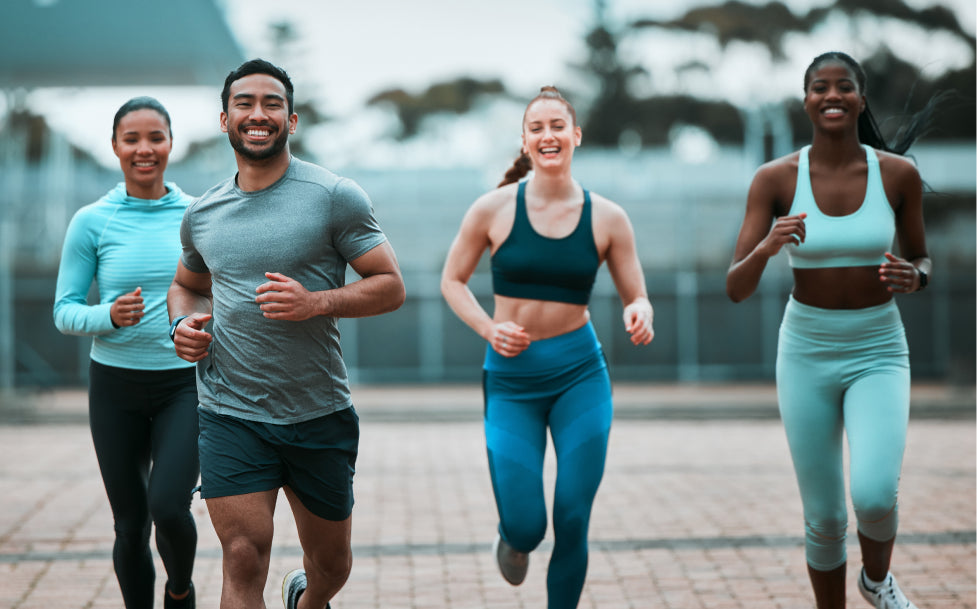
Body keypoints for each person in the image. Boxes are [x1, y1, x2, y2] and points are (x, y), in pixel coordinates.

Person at [166, 58, 405, 609]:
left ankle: (310, 599)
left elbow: (390, 286)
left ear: (291, 121)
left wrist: (315, 302)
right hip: (230, 409)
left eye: (272, 103)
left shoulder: (334, 196)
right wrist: (182, 323)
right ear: (223, 120)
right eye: (244, 103)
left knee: (331, 566)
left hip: (317, 411)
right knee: (243, 553)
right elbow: (185, 285)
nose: (258, 114)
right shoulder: (203, 214)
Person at [726, 51, 940, 609]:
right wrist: (769, 245)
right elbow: (735, 286)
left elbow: (921, 258)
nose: (832, 96)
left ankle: (876, 581)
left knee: (872, 495)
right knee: (823, 516)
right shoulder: (774, 179)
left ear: (860, 100)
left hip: (878, 347)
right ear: (806, 102)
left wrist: (915, 278)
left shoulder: (897, 175)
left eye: (844, 87)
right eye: (820, 88)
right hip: (806, 351)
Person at [440, 86, 655, 609]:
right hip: (512, 378)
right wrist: (490, 329)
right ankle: (513, 537)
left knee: (573, 515)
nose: (548, 135)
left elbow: (637, 294)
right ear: (525, 141)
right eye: (537, 128)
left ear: (575, 135)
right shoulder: (492, 209)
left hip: (580, 372)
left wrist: (640, 310)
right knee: (528, 525)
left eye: (558, 125)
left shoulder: (608, 217)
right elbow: (452, 281)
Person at [53, 97, 199, 608]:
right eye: (131, 138)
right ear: (115, 146)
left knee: (171, 508)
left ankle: (180, 594)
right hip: (115, 389)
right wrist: (107, 316)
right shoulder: (92, 221)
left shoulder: (196, 215)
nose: (144, 149)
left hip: (184, 386)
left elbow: (221, 295)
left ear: (170, 144)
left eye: (155, 137)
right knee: (130, 525)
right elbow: (65, 310)